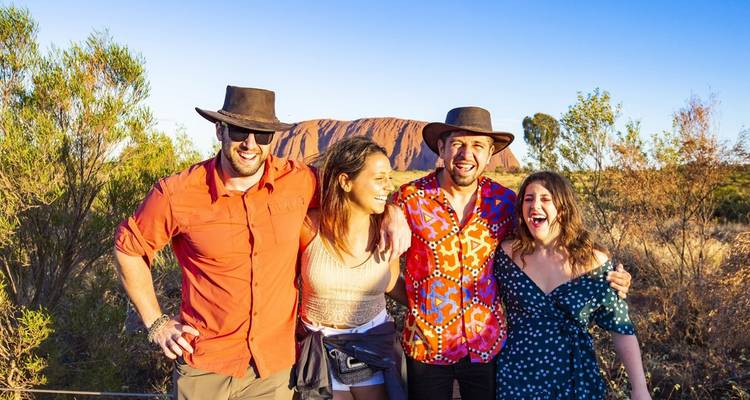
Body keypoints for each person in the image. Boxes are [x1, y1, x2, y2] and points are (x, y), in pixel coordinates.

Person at [113, 86, 409, 400]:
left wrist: (391, 211)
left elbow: (353, 189)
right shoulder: (178, 193)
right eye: (241, 131)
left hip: (274, 372)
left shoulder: (298, 181)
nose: (251, 144)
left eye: (262, 134)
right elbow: (129, 249)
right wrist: (157, 323)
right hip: (206, 364)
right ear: (220, 130)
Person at [391, 107, 633, 400]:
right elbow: (380, 258)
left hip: (487, 346)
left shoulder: (505, 202)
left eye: (478, 145)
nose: (467, 154)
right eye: (458, 143)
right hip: (427, 345)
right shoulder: (407, 199)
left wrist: (609, 274)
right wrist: (420, 304)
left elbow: (548, 238)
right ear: (441, 148)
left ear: (491, 153)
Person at [493, 171, 651, 399]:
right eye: (528, 199)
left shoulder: (594, 263)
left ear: (563, 208)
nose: (535, 205)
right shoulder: (506, 255)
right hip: (518, 378)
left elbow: (621, 328)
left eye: (545, 199)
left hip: (576, 380)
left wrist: (640, 389)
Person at [293, 136, 407, 400]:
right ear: (345, 181)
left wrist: (429, 306)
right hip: (319, 352)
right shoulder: (308, 228)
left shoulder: (387, 231)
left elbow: (389, 282)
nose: (388, 187)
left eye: (389, 178)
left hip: (373, 348)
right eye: (380, 179)